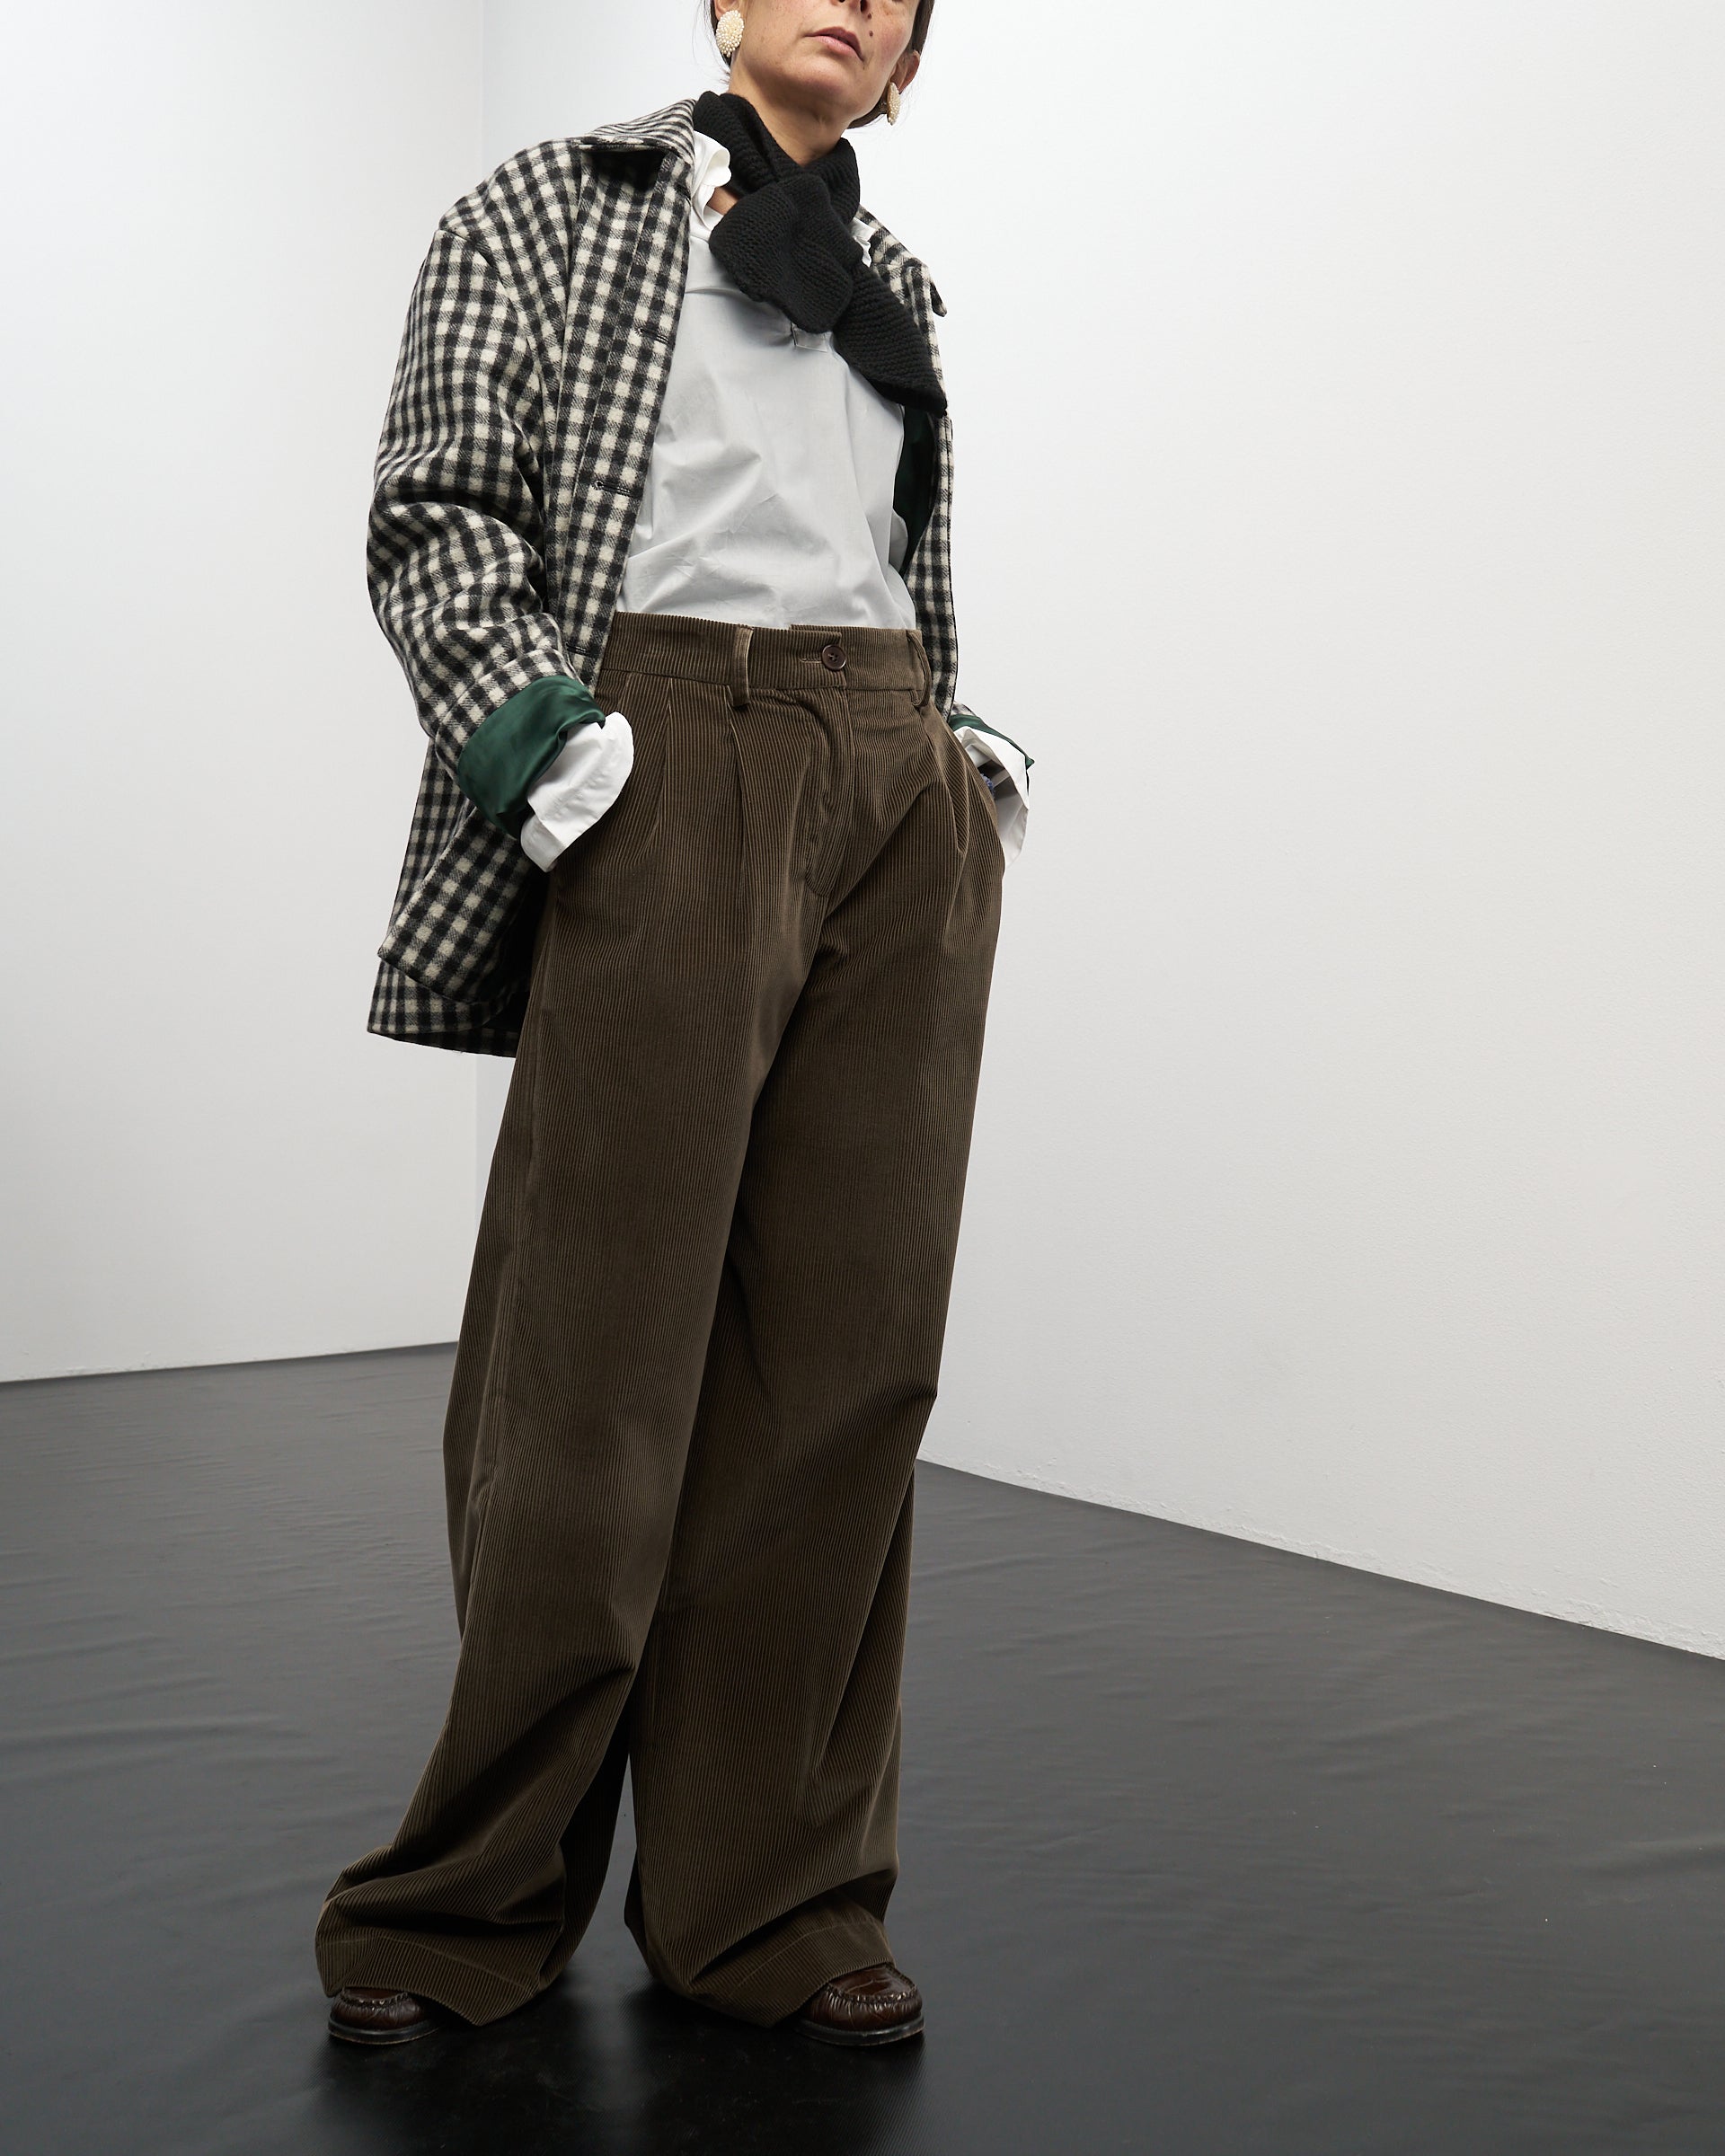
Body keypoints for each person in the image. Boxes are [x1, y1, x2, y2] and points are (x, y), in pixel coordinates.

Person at [315, 0, 1031, 2052]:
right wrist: (557, 754)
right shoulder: (551, 206)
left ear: (913, 61)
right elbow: (438, 509)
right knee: (591, 1363)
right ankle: (467, 1900)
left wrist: (960, 756)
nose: (855, 2)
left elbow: (884, 552)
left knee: (849, 1364)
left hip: (895, 789)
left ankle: (774, 1905)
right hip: (661, 756)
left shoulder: (897, 282)